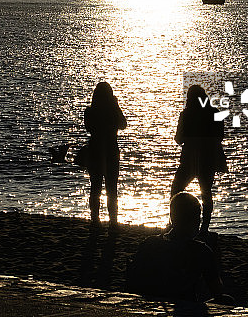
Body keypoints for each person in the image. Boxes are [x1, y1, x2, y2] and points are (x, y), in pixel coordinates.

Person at [127, 191, 223, 304]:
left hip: (151, 302)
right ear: (196, 219)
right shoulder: (201, 251)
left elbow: (133, 282)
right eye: (198, 217)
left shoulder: (150, 243)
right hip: (184, 305)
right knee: (226, 300)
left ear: (172, 217)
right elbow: (217, 290)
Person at [170, 85, 227, 235]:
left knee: (176, 189)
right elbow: (220, 137)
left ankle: (174, 222)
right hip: (208, 159)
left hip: (189, 159)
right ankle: (204, 228)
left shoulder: (186, 115)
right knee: (206, 193)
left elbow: (178, 139)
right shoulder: (215, 113)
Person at [84, 81, 127, 227]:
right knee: (111, 188)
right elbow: (123, 124)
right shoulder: (113, 111)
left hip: (94, 150)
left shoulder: (89, 111)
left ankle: (95, 218)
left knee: (95, 187)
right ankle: (113, 220)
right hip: (111, 150)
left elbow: (89, 128)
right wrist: (115, 106)